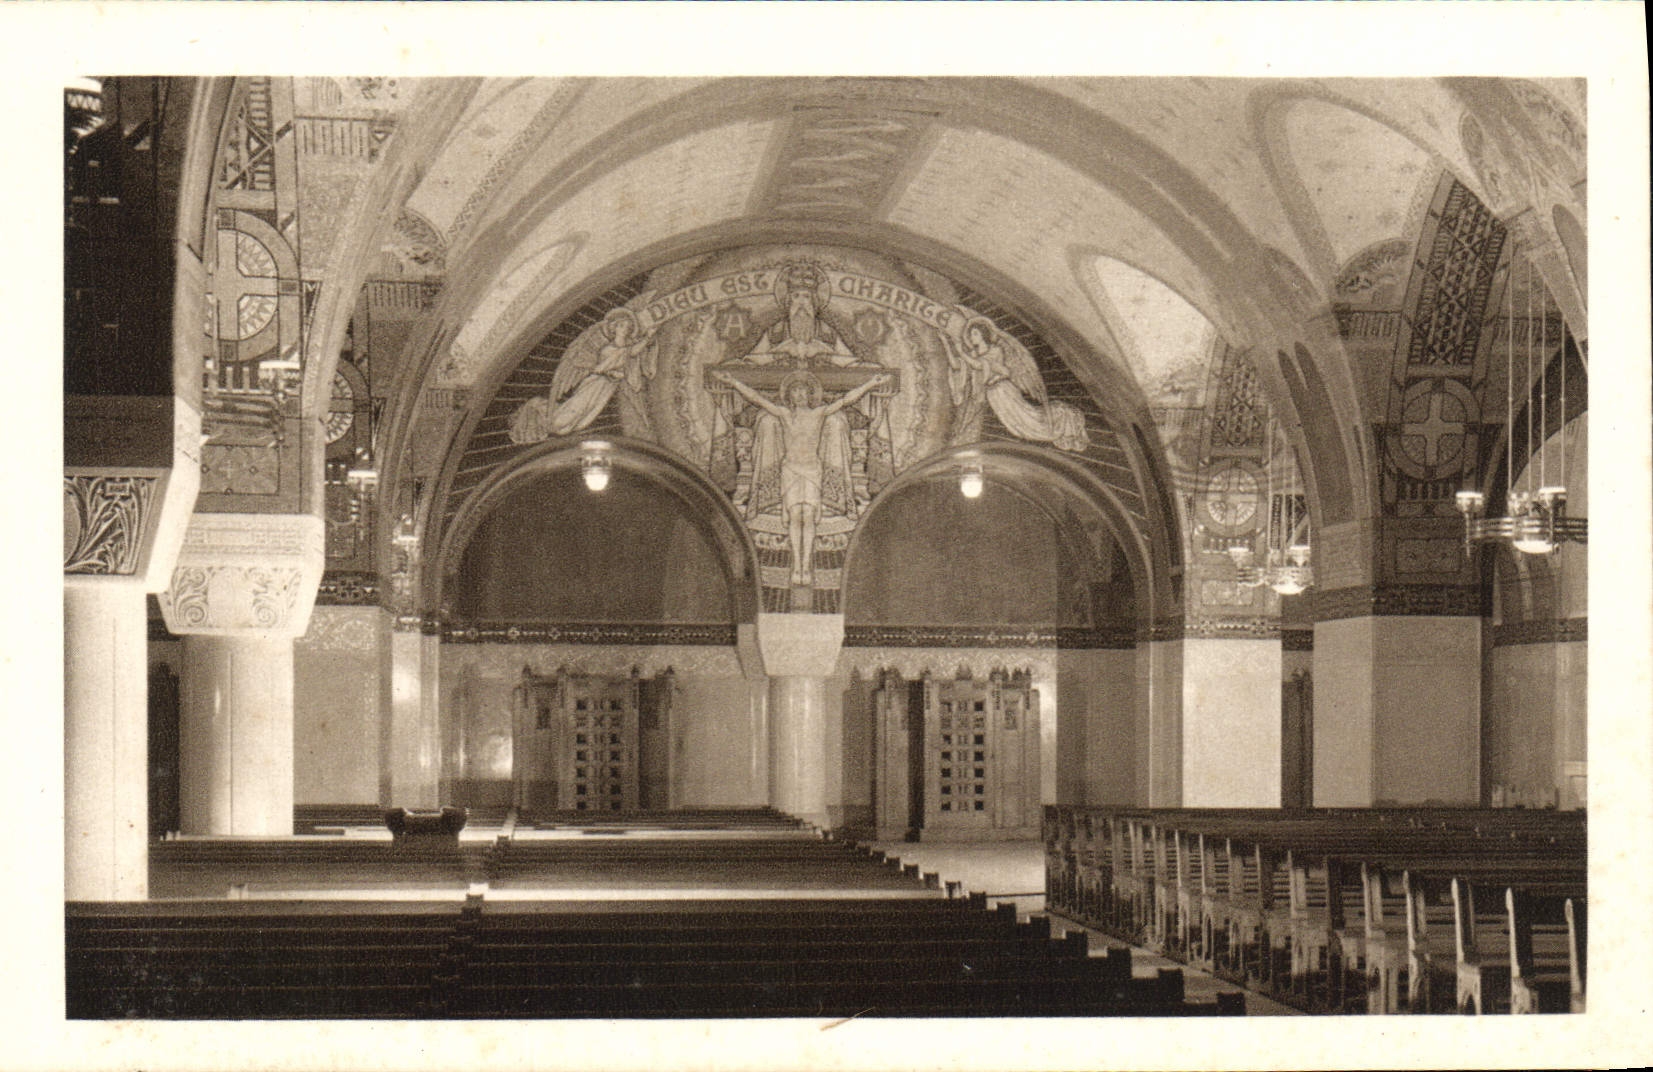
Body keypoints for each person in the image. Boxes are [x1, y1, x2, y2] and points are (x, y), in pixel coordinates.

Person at [714, 368, 891, 586]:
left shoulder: (819, 413)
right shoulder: (784, 414)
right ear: (789, 396)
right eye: (794, 392)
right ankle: (796, 566)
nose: (798, 395)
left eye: (803, 392)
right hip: (790, 470)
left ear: (810, 395)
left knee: (807, 515)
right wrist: (733, 382)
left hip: (811, 470)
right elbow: (756, 399)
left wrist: (871, 384)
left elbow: (846, 400)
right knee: (794, 515)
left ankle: (806, 567)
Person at [508, 307, 656, 443]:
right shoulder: (608, 349)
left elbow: (632, 352)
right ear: (614, 328)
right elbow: (602, 368)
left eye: (628, 326)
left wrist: (647, 339)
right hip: (596, 384)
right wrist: (612, 372)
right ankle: (547, 420)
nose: (626, 329)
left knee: (582, 417)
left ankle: (551, 422)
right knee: (571, 416)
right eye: (623, 325)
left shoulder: (626, 347)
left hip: (605, 388)